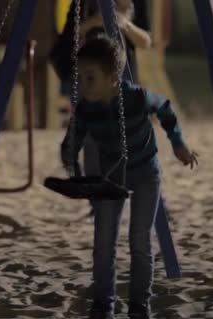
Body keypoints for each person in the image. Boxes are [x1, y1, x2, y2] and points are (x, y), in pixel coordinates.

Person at [60, 36, 198, 319]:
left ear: (112, 78)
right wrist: (71, 168)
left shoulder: (136, 97)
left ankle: (139, 307)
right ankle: (103, 305)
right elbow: (71, 142)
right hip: (111, 176)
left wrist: (178, 142)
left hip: (146, 171)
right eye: (80, 79)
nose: (83, 86)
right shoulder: (86, 108)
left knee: (139, 241)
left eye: (90, 78)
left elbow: (165, 108)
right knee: (103, 242)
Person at [50, 0, 152, 219]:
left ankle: (127, 196)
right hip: (90, 77)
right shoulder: (83, 3)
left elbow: (146, 41)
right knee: (92, 139)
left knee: (126, 138)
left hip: (122, 76)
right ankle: (98, 204)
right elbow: (70, 35)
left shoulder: (137, 3)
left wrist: (124, 25)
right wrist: (94, 22)